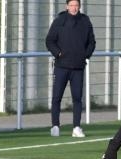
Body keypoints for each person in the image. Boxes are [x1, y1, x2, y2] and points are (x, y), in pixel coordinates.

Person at [45, 0, 95, 138]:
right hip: (61, 66)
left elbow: (92, 42)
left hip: (78, 67)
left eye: (76, 6)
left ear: (80, 7)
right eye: (72, 5)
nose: (74, 8)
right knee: (56, 97)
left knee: (77, 98)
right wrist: (58, 53)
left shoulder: (85, 21)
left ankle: (77, 127)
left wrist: (86, 55)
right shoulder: (60, 20)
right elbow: (49, 40)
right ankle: (55, 126)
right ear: (67, 6)